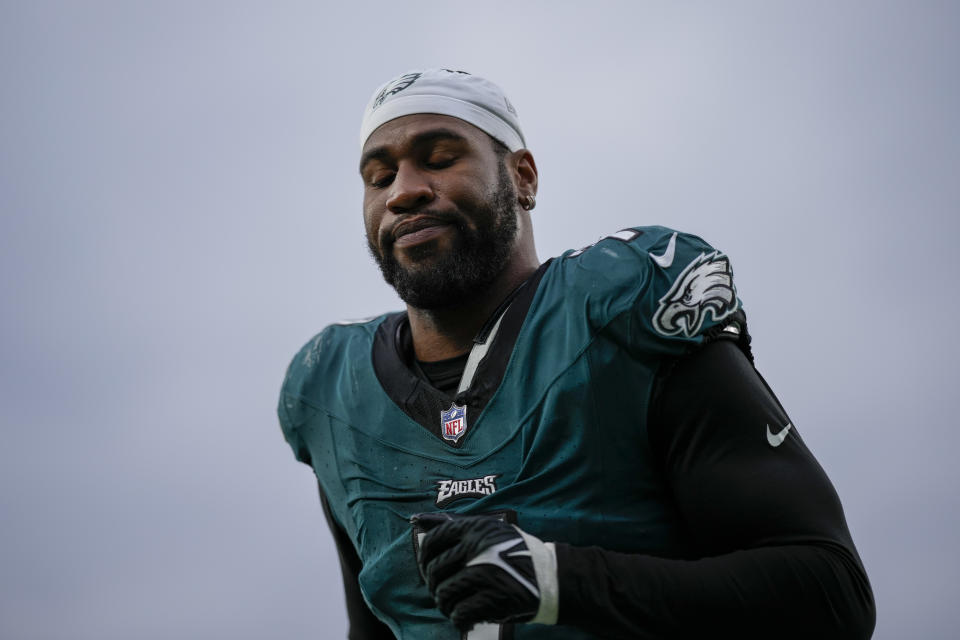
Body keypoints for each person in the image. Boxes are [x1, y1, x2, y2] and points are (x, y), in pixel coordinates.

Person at [277, 69, 875, 639]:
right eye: (379, 178)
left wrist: (562, 582)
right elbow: (374, 628)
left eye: (439, 159)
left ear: (524, 177)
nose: (404, 191)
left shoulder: (619, 309)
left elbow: (829, 593)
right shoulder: (334, 389)